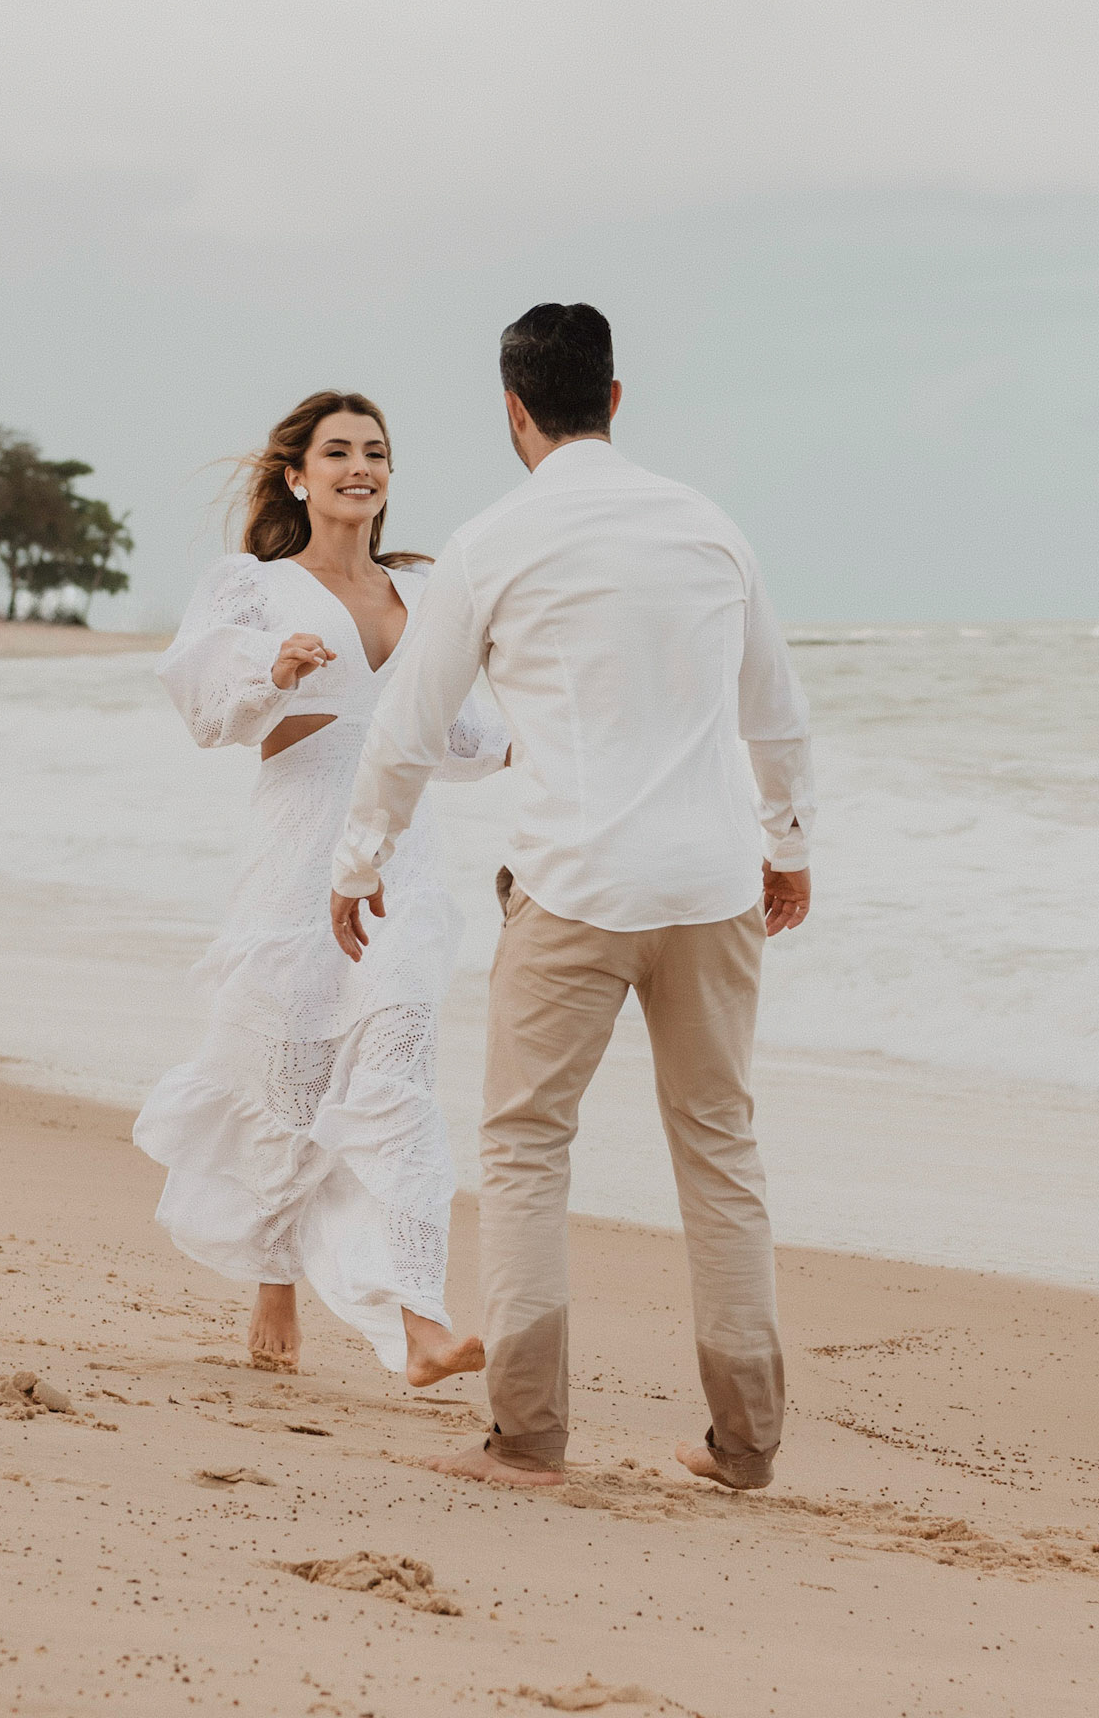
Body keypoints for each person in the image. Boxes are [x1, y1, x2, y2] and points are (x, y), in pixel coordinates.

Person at [331, 305, 813, 1487]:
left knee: (529, 1148)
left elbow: (409, 724)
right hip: (710, 890)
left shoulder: (496, 540)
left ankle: (530, 1437)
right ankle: (745, 1447)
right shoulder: (709, 527)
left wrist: (358, 861)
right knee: (719, 1148)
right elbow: (778, 714)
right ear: (613, 396)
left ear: (513, 411)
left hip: (573, 887)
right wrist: (789, 845)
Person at [134, 390, 510, 1386]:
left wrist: (545, 732)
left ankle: (420, 1313)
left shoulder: (427, 592)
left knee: (397, 1060)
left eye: (377, 452)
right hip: (296, 852)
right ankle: (273, 1275)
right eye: (338, 450)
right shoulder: (254, 587)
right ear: (296, 474)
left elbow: (466, 736)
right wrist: (275, 666)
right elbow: (210, 710)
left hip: (403, 865)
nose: (361, 466)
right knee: (286, 1072)